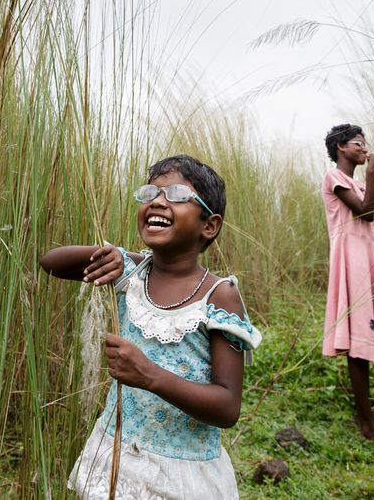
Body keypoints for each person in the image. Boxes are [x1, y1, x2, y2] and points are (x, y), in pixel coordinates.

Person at [40, 154, 261, 499]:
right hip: (117, 455)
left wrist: (149, 375)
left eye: (176, 195)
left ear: (209, 225)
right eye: (150, 193)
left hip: (180, 474)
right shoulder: (130, 272)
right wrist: (106, 252)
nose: (158, 201)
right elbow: (50, 263)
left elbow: (227, 406)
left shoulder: (220, 295)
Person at [321, 123, 374, 446]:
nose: (364, 148)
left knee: (363, 341)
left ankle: (367, 421)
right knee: (356, 344)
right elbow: (364, 213)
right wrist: (372, 175)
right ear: (340, 147)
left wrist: (373, 178)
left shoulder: (363, 184)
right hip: (350, 261)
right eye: (357, 143)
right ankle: (368, 426)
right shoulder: (335, 178)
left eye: (365, 143)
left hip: (368, 260)